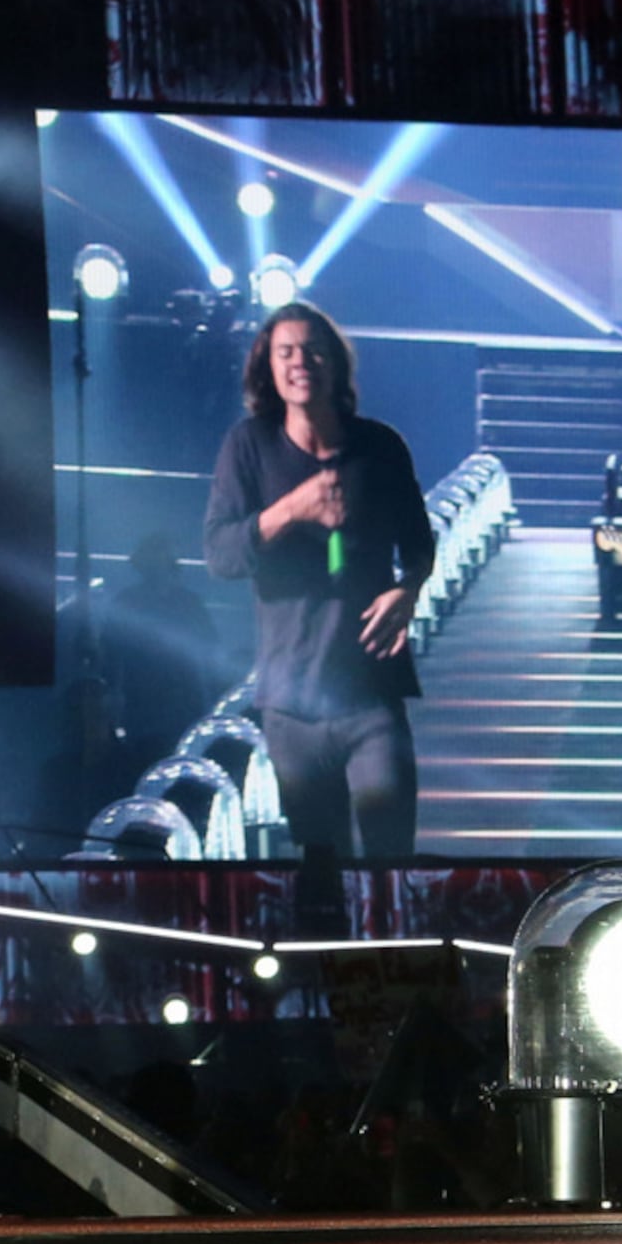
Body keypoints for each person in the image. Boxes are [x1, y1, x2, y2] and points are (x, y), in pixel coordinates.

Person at [200, 301, 434, 861]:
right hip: (291, 700)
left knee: (390, 858)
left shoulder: (380, 447)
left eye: (312, 351)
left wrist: (409, 590)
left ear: (334, 365)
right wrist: (289, 511)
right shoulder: (248, 446)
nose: (300, 362)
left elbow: (420, 546)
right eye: (285, 353)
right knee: (321, 864)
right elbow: (220, 555)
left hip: (371, 694)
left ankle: (399, 949)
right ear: (269, 368)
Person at [98, 529, 221, 772]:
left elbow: (209, 651)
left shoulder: (189, 603)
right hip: (143, 706)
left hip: (183, 704)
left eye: (161, 557)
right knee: (145, 765)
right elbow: (110, 655)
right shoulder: (127, 602)